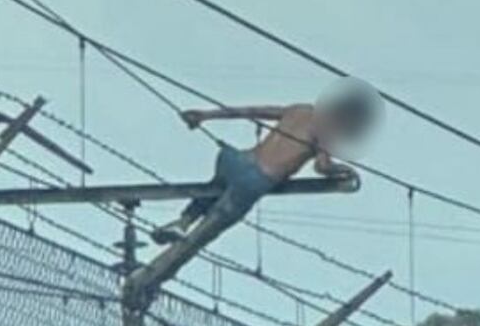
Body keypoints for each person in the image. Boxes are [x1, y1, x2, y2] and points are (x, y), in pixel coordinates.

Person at [151, 77, 381, 245]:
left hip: (234, 159)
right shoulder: (327, 129)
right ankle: (185, 242)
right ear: (347, 116)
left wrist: (205, 115)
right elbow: (322, 167)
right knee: (219, 219)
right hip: (257, 178)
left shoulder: (300, 109)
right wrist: (345, 170)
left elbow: (251, 111)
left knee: (214, 189)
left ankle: (183, 222)